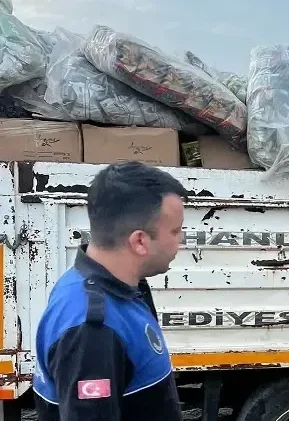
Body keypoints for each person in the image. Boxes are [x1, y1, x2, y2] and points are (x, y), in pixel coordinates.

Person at [32, 161, 187, 421]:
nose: (180, 239)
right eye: (175, 230)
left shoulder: (102, 285)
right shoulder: (94, 331)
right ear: (140, 241)